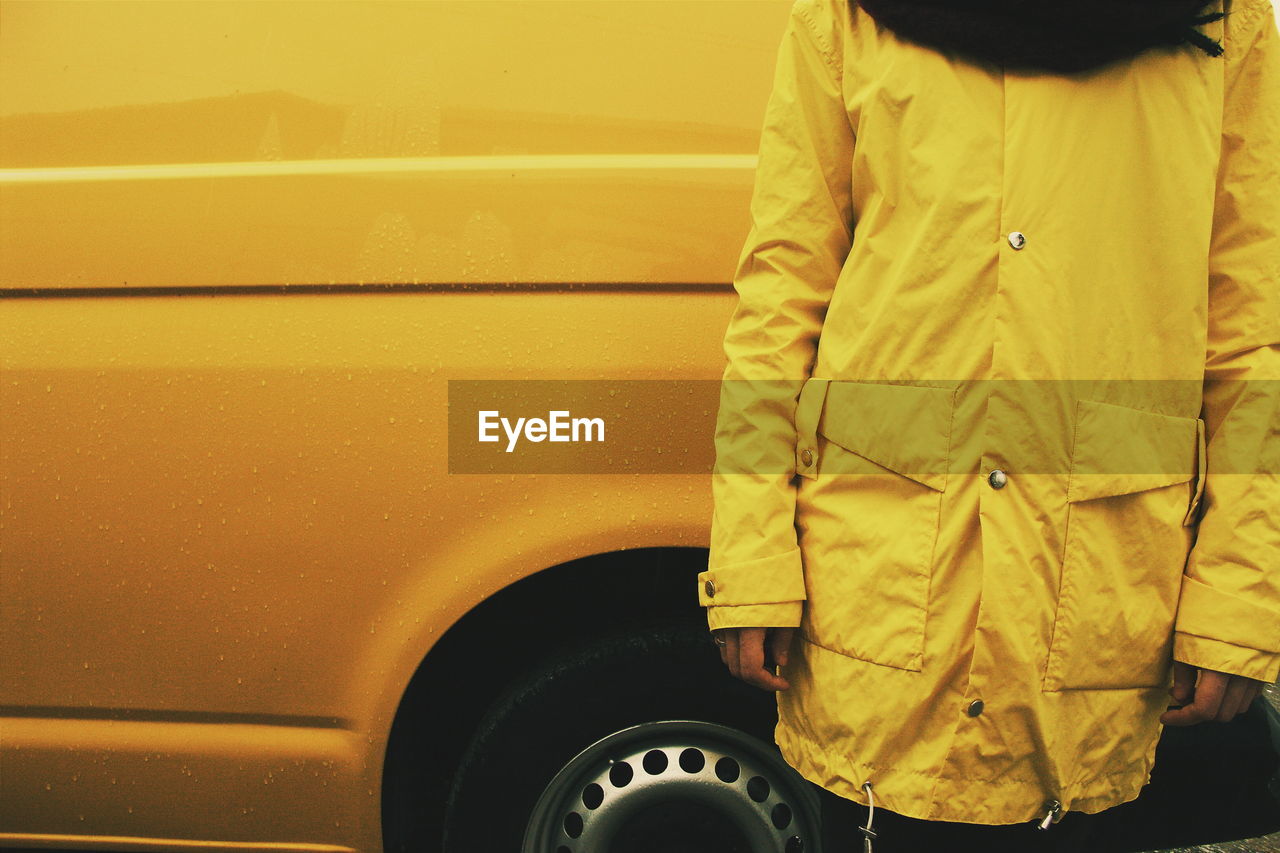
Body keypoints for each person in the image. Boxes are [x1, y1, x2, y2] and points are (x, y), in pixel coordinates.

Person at [698, 0, 1280, 850]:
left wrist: (1237, 597)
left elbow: (1247, 330)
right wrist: (752, 555)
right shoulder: (847, 17)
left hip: (1103, 608)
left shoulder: (1221, 24)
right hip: (885, 588)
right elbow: (780, 301)